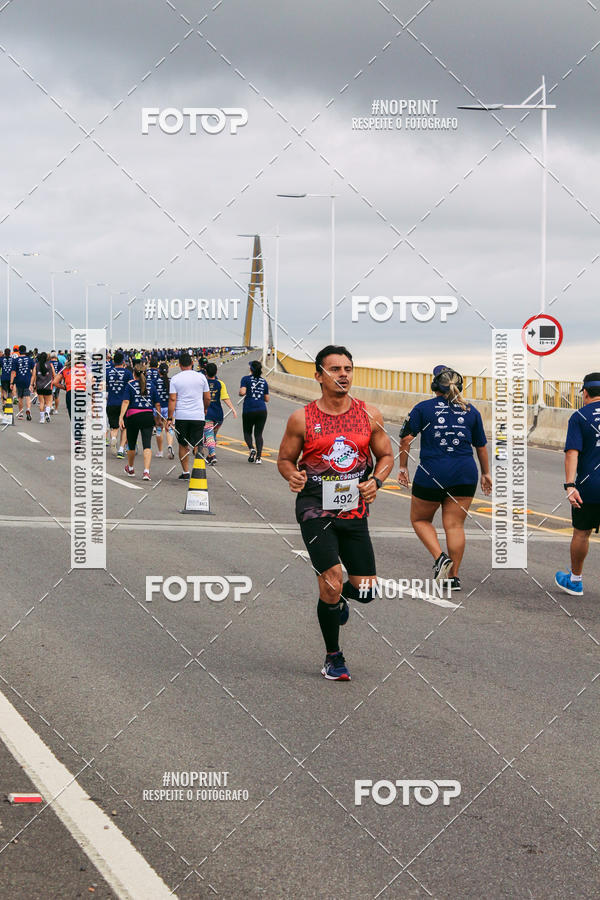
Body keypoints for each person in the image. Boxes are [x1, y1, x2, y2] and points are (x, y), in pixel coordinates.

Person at [277, 345, 394, 682]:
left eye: (348, 368)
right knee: (329, 580)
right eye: (335, 369)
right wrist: (292, 475)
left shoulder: (369, 415)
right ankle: (333, 656)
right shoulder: (302, 418)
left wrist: (377, 480)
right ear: (318, 376)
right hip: (315, 508)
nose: (343, 374)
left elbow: (386, 455)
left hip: (354, 510)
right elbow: (285, 459)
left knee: (367, 590)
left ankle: (339, 597)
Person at [398, 365, 492, 591]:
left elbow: (406, 439)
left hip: (432, 472)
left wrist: (402, 467)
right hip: (465, 473)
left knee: (420, 520)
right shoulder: (471, 411)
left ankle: (440, 558)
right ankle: (453, 578)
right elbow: (481, 446)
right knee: (455, 524)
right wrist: (486, 473)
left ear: (434, 385)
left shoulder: (423, 408)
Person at [555, 372, 600, 596]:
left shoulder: (580, 417)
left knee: (581, 533)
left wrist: (570, 485)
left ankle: (575, 580)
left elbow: (572, 453)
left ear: (585, 393)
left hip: (589, 487)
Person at [166, 352, 210, 479]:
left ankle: (186, 472)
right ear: (192, 363)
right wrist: (205, 409)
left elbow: (173, 400)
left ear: (179, 365)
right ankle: (199, 470)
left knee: (183, 444)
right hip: (198, 415)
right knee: (198, 443)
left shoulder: (175, 379)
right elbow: (207, 397)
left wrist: (170, 417)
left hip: (182, 416)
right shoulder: (201, 378)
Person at [119, 363, 155, 480]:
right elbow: (157, 404)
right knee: (147, 445)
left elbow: (125, 402)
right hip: (148, 416)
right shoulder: (151, 386)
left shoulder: (130, 386)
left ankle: (130, 468)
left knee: (131, 444)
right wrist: (158, 419)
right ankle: (146, 471)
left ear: (134, 373)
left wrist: (121, 417)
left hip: (133, 417)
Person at [204, 361, 237, 465]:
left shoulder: (203, 383)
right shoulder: (220, 383)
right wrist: (233, 408)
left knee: (209, 435)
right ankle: (209, 456)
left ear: (205, 372)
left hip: (207, 413)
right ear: (216, 372)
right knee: (212, 435)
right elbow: (225, 398)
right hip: (218, 415)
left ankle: (213, 455)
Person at [239, 360, 269, 463]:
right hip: (262, 409)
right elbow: (267, 399)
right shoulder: (263, 381)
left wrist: (242, 392)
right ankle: (259, 458)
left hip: (249, 409)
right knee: (258, 434)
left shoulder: (245, 379)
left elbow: (242, 392)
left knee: (247, 432)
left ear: (251, 369)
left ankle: (252, 449)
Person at [106, 351, 132, 457]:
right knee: (124, 427)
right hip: (123, 404)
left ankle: (113, 438)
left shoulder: (108, 372)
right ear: (123, 362)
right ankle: (121, 449)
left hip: (111, 402)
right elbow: (132, 387)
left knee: (114, 427)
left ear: (113, 361)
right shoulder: (127, 373)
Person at [153, 361, 175, 460]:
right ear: (168, 370)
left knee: (159, 428)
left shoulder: (154, 381)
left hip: (157, 408)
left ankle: (160, 451)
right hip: (169, 407)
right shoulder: (171, 381)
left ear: (158, 371)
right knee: (169, 428)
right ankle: (169, 446)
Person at [10, 345, 35, 420]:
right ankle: (28, 409)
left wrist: (11, 383)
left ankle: (21, 413)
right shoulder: (30, 360)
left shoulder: (16, 360)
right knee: (27, 396)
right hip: (27, 380)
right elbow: (33, 371)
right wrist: (33, 382)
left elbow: (13, 372)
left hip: (19, 380)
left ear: (19, 351)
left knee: (20, 397)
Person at [31, 352, 56, 423]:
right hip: (48, 386)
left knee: (41, 402)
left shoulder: (36, 365)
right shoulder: (50, 365)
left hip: (39, 386)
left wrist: (31, 384)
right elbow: (54, 375)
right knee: (49, 402)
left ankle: (42, 419)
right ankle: (47, 412)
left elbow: (33, 376)